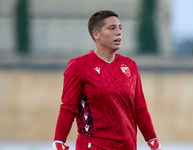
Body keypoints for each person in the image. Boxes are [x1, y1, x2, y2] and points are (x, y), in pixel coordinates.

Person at [52, 10, 162, 150]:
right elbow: (68, 108)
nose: (119, 32)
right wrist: (59, 141)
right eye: (112, 28)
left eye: (120, 28)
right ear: (96, 34)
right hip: (93, 145)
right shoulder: (79, 66)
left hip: (127, 146)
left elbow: (139, 108)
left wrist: (152, 138)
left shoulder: (130, 65)